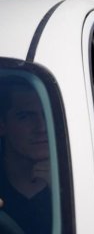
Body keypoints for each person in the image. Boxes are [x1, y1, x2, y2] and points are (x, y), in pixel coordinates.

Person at [0, 76, 52, 234]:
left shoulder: (81, 188)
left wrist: (63, 191)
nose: (41, 127)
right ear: (2, 125)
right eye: (26, 116)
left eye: (47, 115)